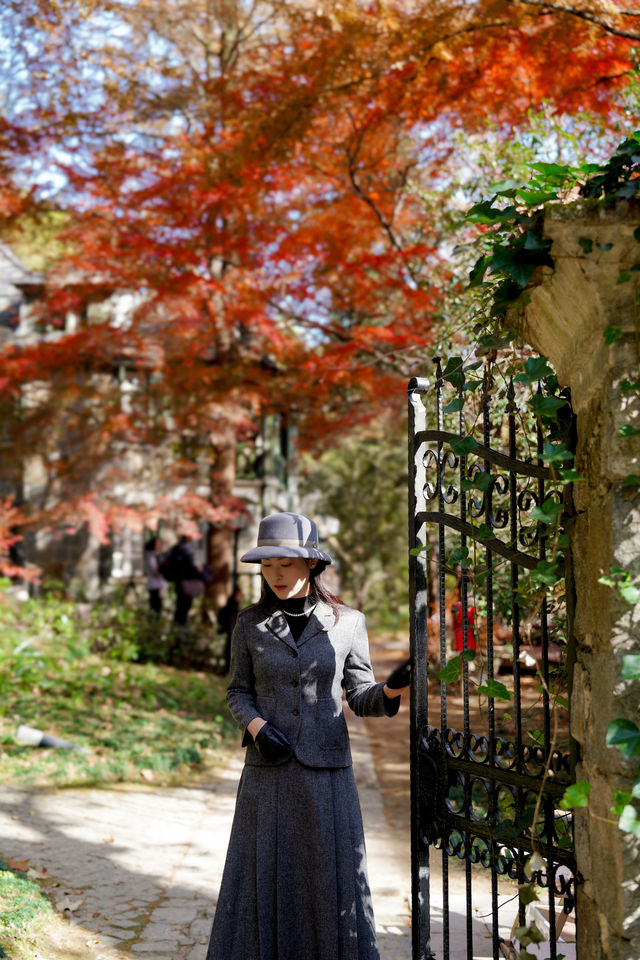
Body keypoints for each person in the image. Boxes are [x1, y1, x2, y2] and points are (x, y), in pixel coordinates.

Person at [206, 512, 411, 960]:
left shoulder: (348, 622)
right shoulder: (249, 624)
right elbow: (238, 691)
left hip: (326, 770)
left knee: (328, 877)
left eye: (287, 564)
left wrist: (393, 688)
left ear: (312, 566)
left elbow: (359, 695)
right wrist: (257, 727)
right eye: (268, 565)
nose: (276, 575)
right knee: (261, 874)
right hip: (268, 772)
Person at [217, 586, 243, 674]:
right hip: (230, 634)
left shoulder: (236, 608)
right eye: (239, 594)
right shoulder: (230, 608)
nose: (241, 597)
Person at [144, 536, 166, 615]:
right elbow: (153, 569)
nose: (159, 545)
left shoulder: (159, 555)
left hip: (159, 583)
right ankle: (153, 620)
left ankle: (156, 619)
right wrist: (160, 572)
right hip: (154, 583)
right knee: (155, 603)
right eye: (157, 543)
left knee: (158, 604)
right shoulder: (150, 555)